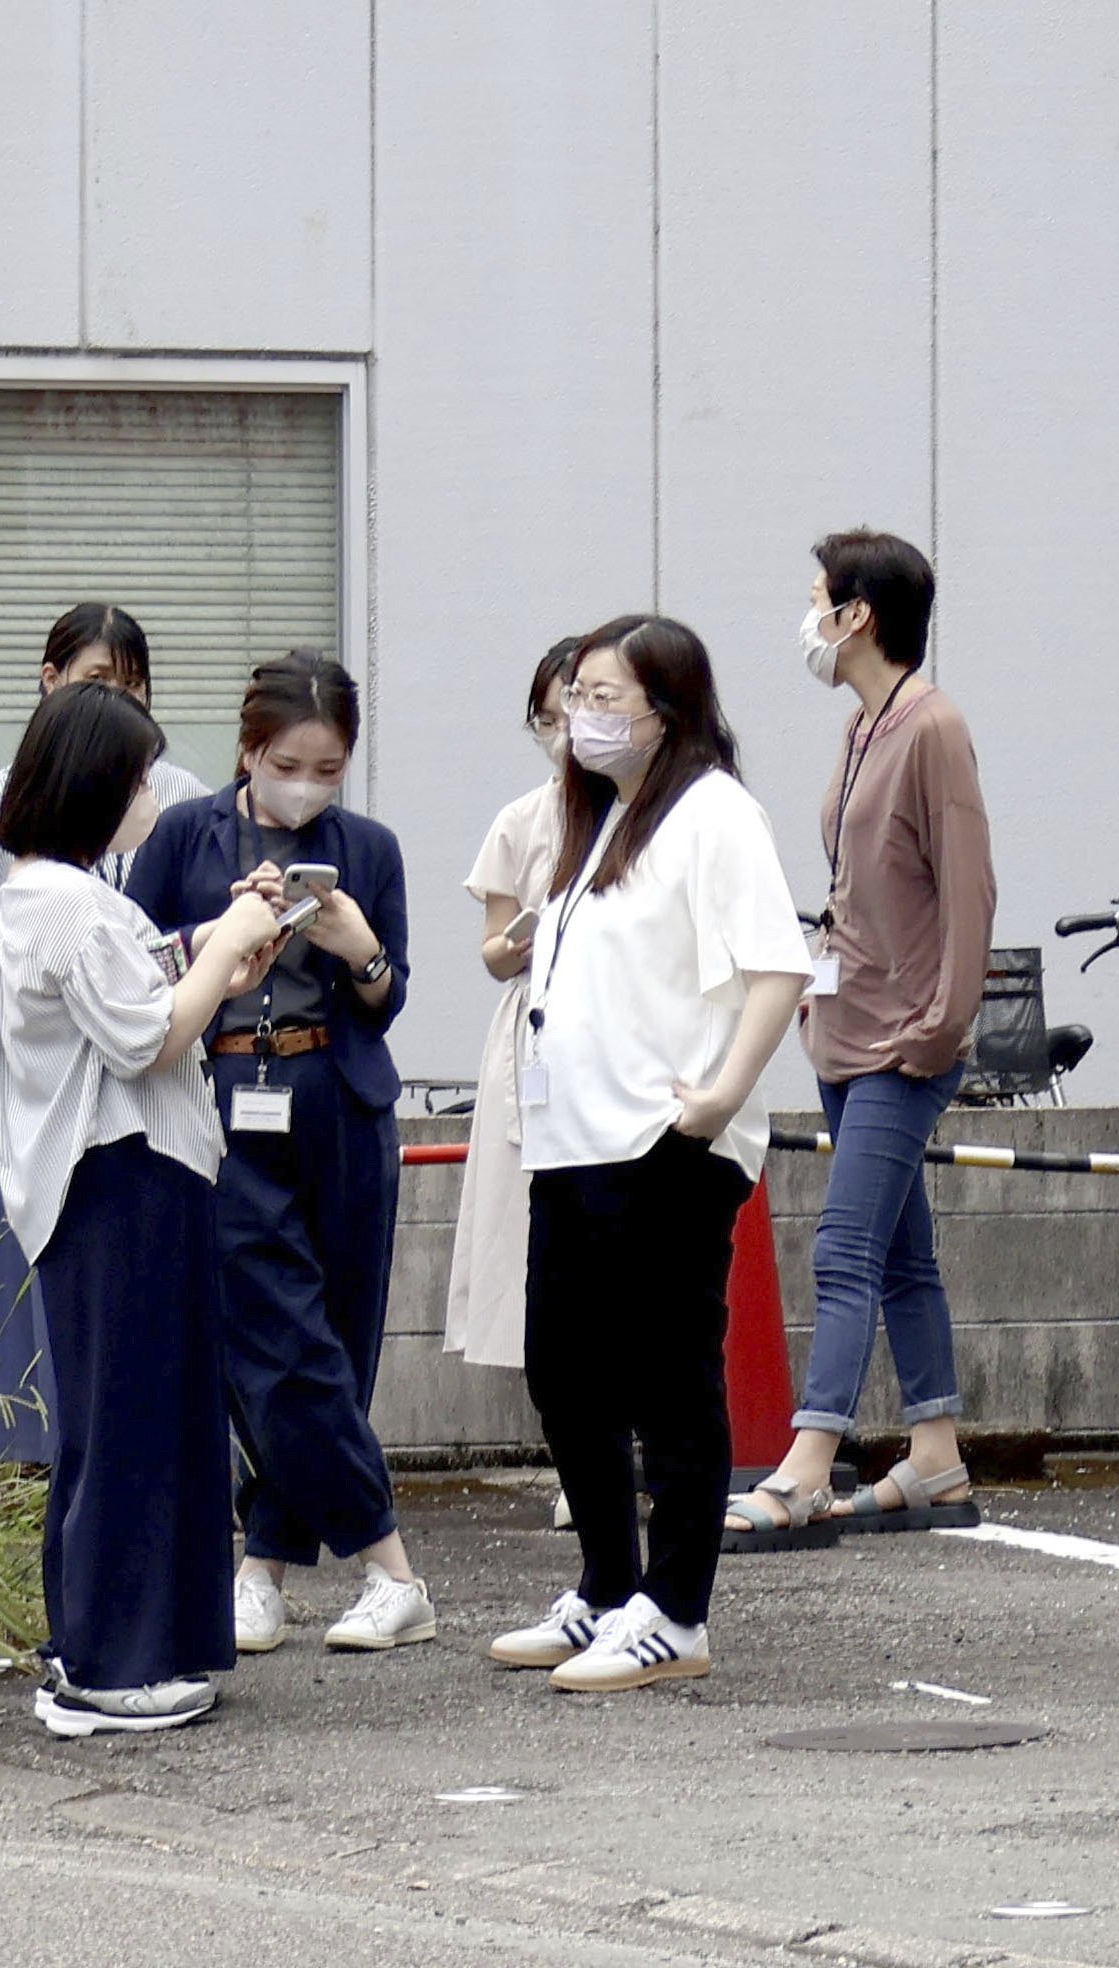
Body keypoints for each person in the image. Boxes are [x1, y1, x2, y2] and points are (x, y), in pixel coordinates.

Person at [491, 615, 812, 1693]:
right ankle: (605, 1588)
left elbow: (778, 966)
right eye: (575, 697)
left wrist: (720, 1097)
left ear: (667, 708)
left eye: (605, 698)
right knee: (564, 1371)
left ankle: (675, 1610)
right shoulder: (602, 816)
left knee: (671, 1378)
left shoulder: (714, 811)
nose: (583, 718)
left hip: (663, 1141)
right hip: (572, 1139)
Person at [0, 682, 287, 1736]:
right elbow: (148, 1038)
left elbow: (146, 998)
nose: (150, 792)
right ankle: (113, 1669)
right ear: (96, 785)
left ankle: (99, 1650)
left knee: (117, 1423)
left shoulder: (36, 893)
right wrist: (234, 932)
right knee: (137, 1423)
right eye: (138, 774)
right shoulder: (64, 900)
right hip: (125, 1179)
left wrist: (222, 954)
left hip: (105, 1182)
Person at [125, 653, 435, 1657]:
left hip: (336, 1099)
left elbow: (388, 1000)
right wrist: (228, 929)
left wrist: (357, 946)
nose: (308, 784)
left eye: (330, 766)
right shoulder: (187, 832)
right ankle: (389, 1570)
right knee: (271, 1334)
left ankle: (262, 1566)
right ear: (250, 749)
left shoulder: (369, 849)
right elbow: (137, 962)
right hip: (221, 1091)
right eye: (291, 761)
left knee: (338, 1338)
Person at [719, 531, 998, 1544]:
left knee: (843, 1246)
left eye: (817, 601)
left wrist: (943, 1026)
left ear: (859, 615)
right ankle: (934, 1455)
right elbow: (854, 884)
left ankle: (805, 1464)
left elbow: (968, 889)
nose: (809, 622)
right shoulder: (860, 727)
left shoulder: (934, 728)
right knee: (897, 1252)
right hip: (848, 1026)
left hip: (905, 1041)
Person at [0, 603, 210, 1464]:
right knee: (19, 1263)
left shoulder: (177, 796)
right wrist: (13, 966)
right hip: (39, 1067)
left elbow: (187, 935)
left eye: (135, 687)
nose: (122, 703)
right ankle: (15, 1455)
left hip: (140, 1077)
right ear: (49, 681)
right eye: (99, 682)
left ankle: (95, 1458)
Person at [449, 638, 584, 1372]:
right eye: (546, 721)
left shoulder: (642, 816)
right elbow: (494, 950)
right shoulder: (521, 819)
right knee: (525, 1231)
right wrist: (533, 938)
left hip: (609, 1034)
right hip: (533, 1026)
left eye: (575, 715)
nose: (561, 736)